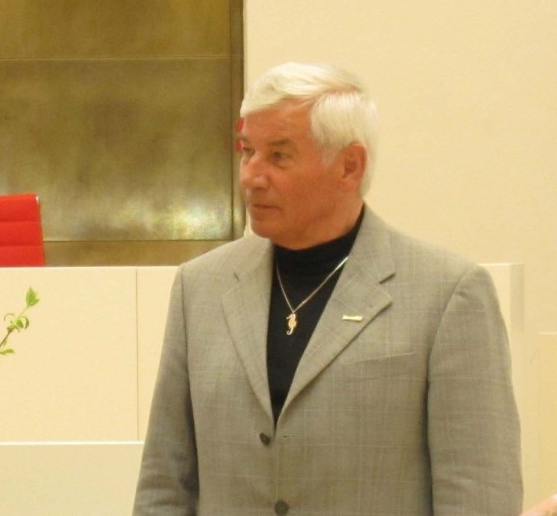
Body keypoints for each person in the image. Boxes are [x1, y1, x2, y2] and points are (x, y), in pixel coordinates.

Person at [134, 62, 522, 514]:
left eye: (279, 156)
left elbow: (479, 496)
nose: (251, 176)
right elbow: (166, 483)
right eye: (247, 151)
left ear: (349, 166)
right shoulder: (199, 288)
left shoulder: (448, 295)